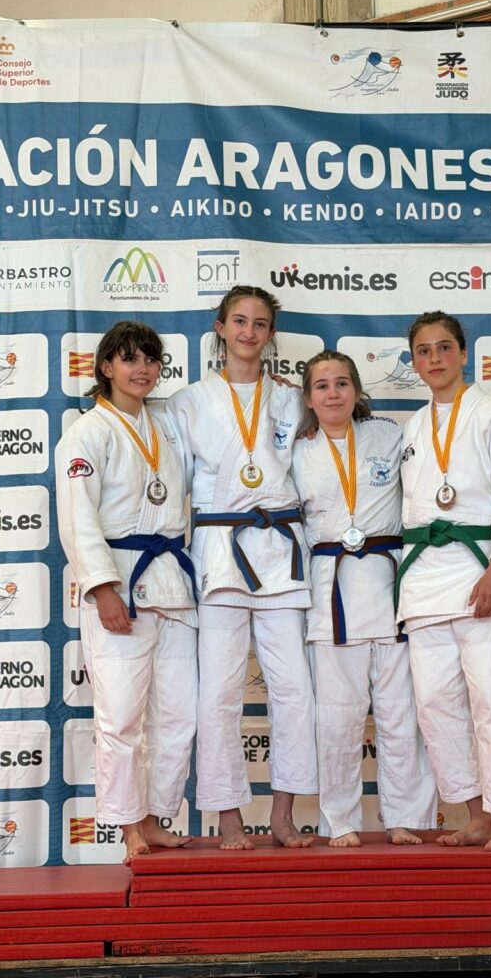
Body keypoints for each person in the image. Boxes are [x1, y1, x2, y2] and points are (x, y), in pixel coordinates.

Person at [167, 285, 317, 850]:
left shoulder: (293, 400)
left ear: (270, 334)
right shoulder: (188, 402)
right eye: (239, 321)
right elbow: (173, 484)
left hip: (280, 551)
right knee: (219, 694)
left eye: (259, 323)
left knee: (294, 690)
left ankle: (283, 813)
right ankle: (228, 815)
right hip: (219, 553)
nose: (248, 332)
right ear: (220, 328)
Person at [395, 311, 491, 854]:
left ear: (462, 353)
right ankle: (475, 815)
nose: (434, 358)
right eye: (423, 351)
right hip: (424, 578)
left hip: (478, 571)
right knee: (436, 706)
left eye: (443, 348)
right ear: (414, 362)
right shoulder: (413, 427)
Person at [55, 321, 198, 865]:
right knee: (121, 718)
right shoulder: (87, 432)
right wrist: (103, 587)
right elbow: (78, 517)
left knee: (178, 716)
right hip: (121, 584)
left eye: (151, 359)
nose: (142, 369)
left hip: (172, 585)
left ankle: (156, 816)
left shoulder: (167, 425)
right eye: (129, 359)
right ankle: (129, 826)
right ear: (107, 367)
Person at [292, 351, 438, 847]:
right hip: (331, 592)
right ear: (308, 398)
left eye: (341, 383)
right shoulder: (297, 452)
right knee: (338, 716)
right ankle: (341, 820)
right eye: (321, 386)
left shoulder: (388, 436)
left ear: (356, 391)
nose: (332, 393)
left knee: (401, 712)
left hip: (388, 584)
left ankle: (405, 817)